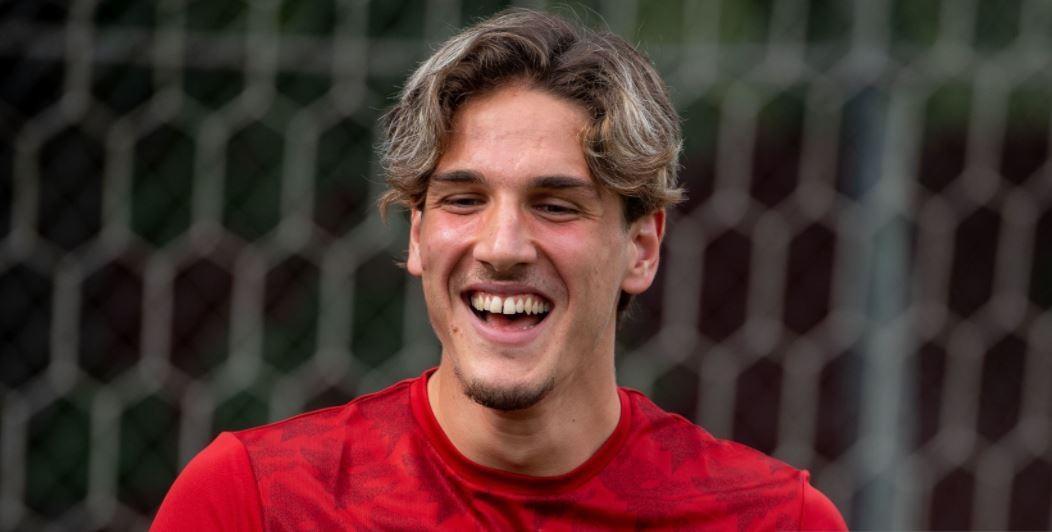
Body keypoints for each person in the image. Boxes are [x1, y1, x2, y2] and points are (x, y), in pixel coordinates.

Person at [152, 9, 847, 530]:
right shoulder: (253, 501)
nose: (504, 246)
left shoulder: (774, 522)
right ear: (419, 234)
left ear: (642, 247)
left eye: (556, 205)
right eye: (464, 199)